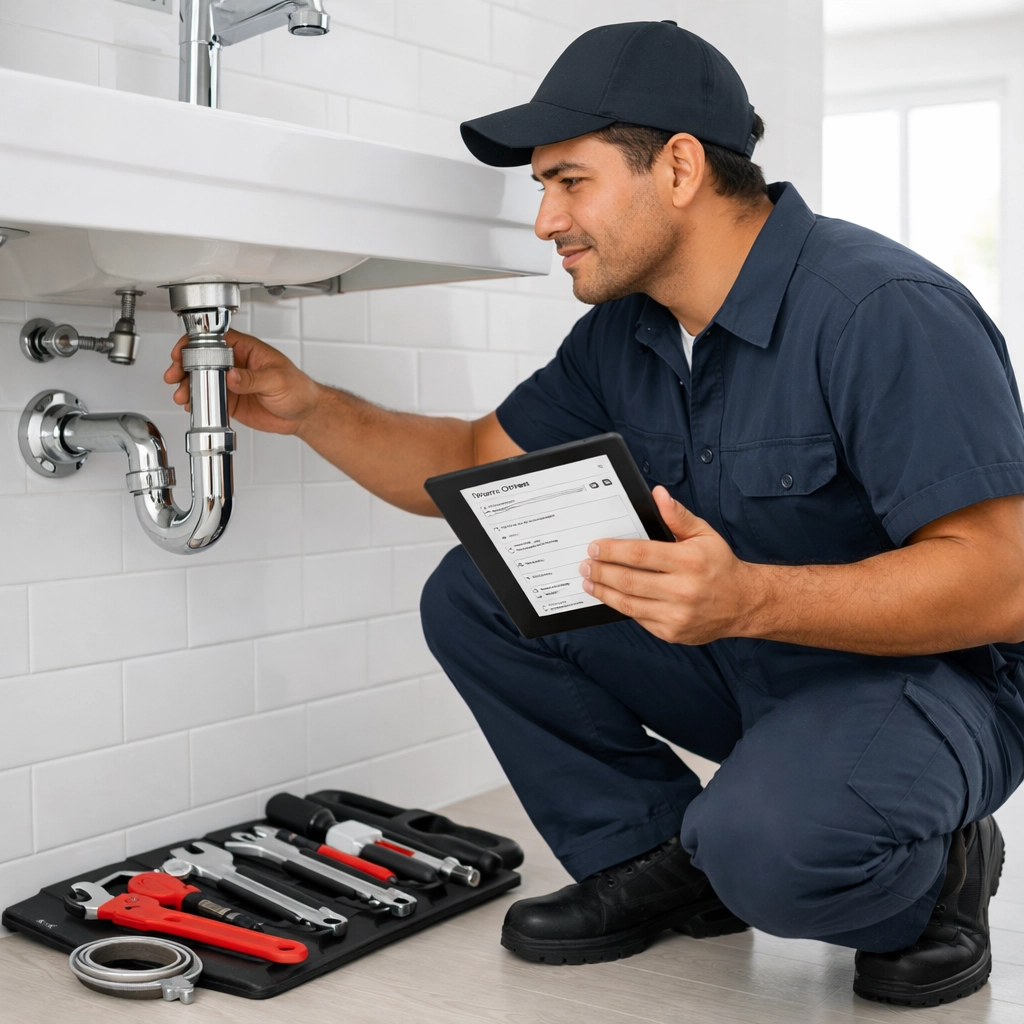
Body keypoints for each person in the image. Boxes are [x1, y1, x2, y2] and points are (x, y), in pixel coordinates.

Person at [166, 21, 1024, 1008]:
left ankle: (938, 866)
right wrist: (313, 408)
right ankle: (659, 855)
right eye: (544, 187)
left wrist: (748, 598)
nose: (546, 220)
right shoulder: (627, 335)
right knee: (482, 584)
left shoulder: (881, 309)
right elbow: (470, 460)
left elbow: (1003, 580)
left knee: (769, 850)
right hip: (750, 664)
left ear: (679, 168)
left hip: (925, 688)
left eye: (569, 181)